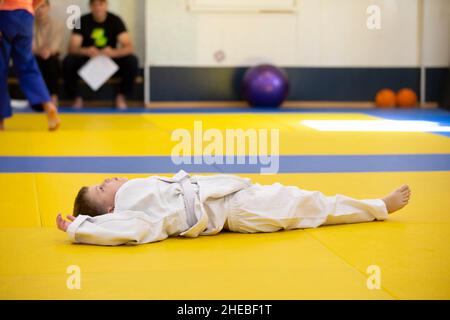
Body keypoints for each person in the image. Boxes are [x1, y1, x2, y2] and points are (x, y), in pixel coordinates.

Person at [56, 170, 411, 246]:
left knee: (307, 202)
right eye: (103, 187)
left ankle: (375, 205)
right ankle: (378, 206)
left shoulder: (140, 193)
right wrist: (82, 226)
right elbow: (129, 231)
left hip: (234, 196)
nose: (110, 179)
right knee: (310, 205)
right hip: (236, 210)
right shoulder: (133, 209)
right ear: (110, 207)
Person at [63, 0, 138, 110]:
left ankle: (121, 97)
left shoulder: (115, 20)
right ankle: (76, 98)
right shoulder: (81, 20)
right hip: (88, 60)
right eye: (95, 5)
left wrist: (113, 53)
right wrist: (85, 50)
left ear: (106, 5)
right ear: (90, 6)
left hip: (109, 60)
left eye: (101, 4)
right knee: (68, 61)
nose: (98, 8)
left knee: (131, 60)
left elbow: (129, 47)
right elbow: (72, 48)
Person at [0, 0, 60, 131]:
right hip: (26, 18)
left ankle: (1, 119)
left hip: (4, 16)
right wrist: (30, 9)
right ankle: (48, 105)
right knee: (27, 66)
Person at [33, 0, 64, 107]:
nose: (40, 10)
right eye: (37, 7)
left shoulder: (58, 25)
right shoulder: (27, 24)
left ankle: (53, 97)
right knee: (34, 62)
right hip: (34, 56)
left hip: (50, 57)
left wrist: (48, 51)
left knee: (51, 61)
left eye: (43, 6)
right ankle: (37, 99)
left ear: (48, 8)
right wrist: (39, 51)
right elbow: (28, 47)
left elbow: (55, 46)